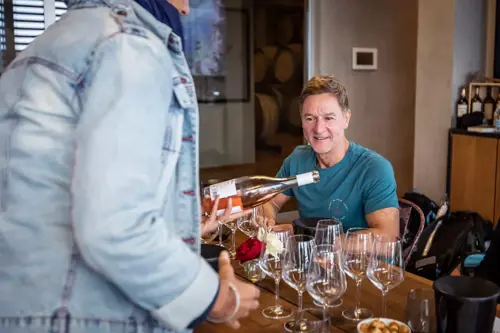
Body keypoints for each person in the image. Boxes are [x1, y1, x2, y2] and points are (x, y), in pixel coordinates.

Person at [0, 0, 260, 333]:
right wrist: (217, 299)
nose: (191, 10)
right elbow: (114, 225)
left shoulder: (45, 44)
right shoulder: (130, 46)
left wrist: (179, 219)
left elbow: (58, 195)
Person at [263, 75, 400, 237]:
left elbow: (387, 237)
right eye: (310, 118)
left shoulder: (374, 168)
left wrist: (306, 235)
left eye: (329, 118)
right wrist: (267, 222)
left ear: (346, 119)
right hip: (312, 261)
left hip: (361, 262)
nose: (319, 129)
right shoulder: (297, 160)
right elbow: (269, 203)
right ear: (301, 121)